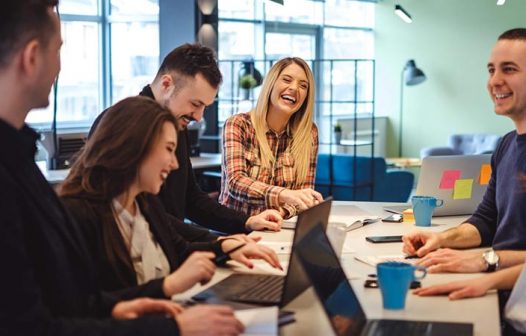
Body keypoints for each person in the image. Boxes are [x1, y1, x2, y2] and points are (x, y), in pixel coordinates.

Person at [0, 1, 244, 335]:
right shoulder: (30, 182)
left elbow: (65, 299)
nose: (60, 66)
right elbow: (26, 325)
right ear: (31, 57)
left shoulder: (18, 158)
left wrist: (120, 305)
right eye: (58, 50)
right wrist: (171, 328)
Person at [59, 96, 282, 295]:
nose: (174, 164)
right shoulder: (77, 216)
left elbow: (180, 251)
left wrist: (226, 247)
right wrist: (168, 286)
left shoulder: (144, 203)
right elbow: (86, 308)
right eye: (168, 149)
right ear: (134, 146)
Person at [89, 44, 283, 235]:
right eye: (195, 104)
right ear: (166, 84)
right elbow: (146, 216)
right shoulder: (123, 124)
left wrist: (247, 221)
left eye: (204, 107)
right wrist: (214, 244)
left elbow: (191, 199)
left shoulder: (175, 122)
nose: (198, 117)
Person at [402, 28, 526, 274]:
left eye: (509, 69)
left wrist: (485, 260)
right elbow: (485, 221)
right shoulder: (506, 145)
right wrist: (441, 238)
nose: (494, 81)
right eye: (492, 70)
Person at [219, 57, 323, 218]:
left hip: (279, 228)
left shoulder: (309, 133)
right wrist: (284, 194)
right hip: (237, 231)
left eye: (303, 86)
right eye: (286, 80)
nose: (294, 88)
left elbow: (303, 196)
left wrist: (279, 212)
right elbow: (235, 183)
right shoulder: (239, 124)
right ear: (271, 84)